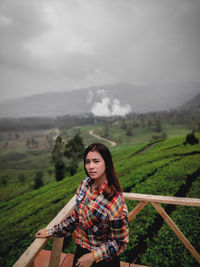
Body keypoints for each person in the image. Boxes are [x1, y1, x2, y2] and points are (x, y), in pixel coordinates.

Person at [35, 143, 129, 267]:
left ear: (107, 163)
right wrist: (52, 231)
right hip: (81, 249)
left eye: (96, 161)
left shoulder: (113, 199)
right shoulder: (84, 185)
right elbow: (76, 217)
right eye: (87, 162)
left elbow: (119, 241)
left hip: (104, 260)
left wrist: (92, 256)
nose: (91, 166)